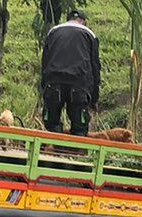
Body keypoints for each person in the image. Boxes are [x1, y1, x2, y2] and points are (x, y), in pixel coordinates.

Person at [40, 8, 101, 136]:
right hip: (79, 84)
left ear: (68, 19)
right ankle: (76, 152)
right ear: (83, 22)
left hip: (54, 82)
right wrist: (94, 97)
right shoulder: (89, 34)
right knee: (79, 125)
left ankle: (53, 150)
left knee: (51, 122)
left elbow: (45, 61)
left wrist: (43, 87)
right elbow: (95, 66)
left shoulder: (54, 32)